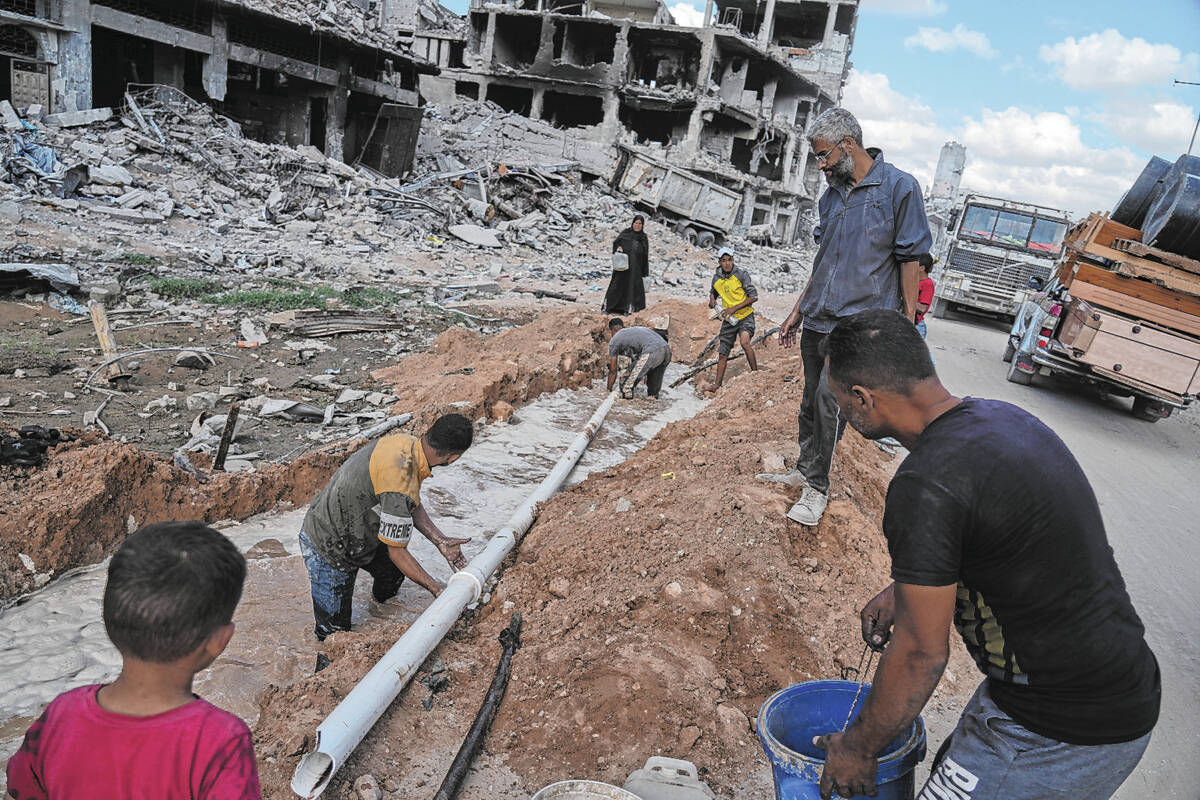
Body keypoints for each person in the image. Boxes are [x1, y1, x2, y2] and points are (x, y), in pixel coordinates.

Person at [811, 309, 1160, 800]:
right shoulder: (1000, 419)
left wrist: (857, 748)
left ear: (863, 399)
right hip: (1113, 681)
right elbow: (1009, 538)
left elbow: (920, 654)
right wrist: (907, 587)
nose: (844, 415)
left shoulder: (925, 485)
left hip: (1060, 729)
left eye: (841, 402)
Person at [762, 107, 932, 527]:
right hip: (818, 315)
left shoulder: (899, 189)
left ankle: (817, 489)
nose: (820, 166)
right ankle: (804, 468)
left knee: (828, 401)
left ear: (848, 145)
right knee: (808, 399)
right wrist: (798, 309)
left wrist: (906, 323)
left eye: (824, 157)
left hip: (859, 325)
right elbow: (823, 261)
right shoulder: (830, 196)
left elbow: (911, 259)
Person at [6, 521, 262, 799]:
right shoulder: (221, 741)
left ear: (107, 618)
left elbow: (19, 793)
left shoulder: (60, 715)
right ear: (219, 641)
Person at [299, 414, 474, 641]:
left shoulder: (406, 445)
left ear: (429, 430)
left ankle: (379, 615)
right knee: (334, 636)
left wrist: (439, 540)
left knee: (391, 576)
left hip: (356, 527)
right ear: (452, 458)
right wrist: (437, 590)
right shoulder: (400, 479)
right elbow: (397, 550)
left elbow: (408, 502)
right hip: (329, 544)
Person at [706, 247, 759, 391]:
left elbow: (753, 296)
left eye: (730, 260)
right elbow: (713, 292)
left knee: (745, 341)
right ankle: (717, 385)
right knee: (723, 352)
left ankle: (756, 374)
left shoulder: (741, 275)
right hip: (729, 320)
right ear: (719, 262)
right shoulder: (717, 277)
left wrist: (733, 309)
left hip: (745, 316)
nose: (727, 263)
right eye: (724, 260)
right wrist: (712, 300)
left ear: (733, 260)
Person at [606, 317, 672, 399]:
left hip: (652, 353)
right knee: (653, 392)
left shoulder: (615, 340)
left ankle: (627, 409)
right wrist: (645, 371)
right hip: (666, 350)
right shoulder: (634, 332)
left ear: (612, 331)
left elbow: (613, 371)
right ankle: (652, 409)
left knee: (625, 383)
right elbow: (639, 359)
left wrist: (608, 391)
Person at [603, 215, 649, 315]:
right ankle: (610, 308)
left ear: (642, 225)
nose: (637, 225)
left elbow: (645, 255)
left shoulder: (643, 237)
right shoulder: (626, 234)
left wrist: (645, 272)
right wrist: (618, 248)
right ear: (633, 223)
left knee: (632, 289)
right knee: (617, 286)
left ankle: (628, 309)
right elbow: (616, 243)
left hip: (636, 268)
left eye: (640, 224)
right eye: (636, 223)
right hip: (623, 267)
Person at [914, 253, 936, 338]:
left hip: (916, 326)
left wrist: (905, 299)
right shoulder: (916, 281)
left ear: (922, 268)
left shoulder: (927, 284)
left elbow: (922, 308)